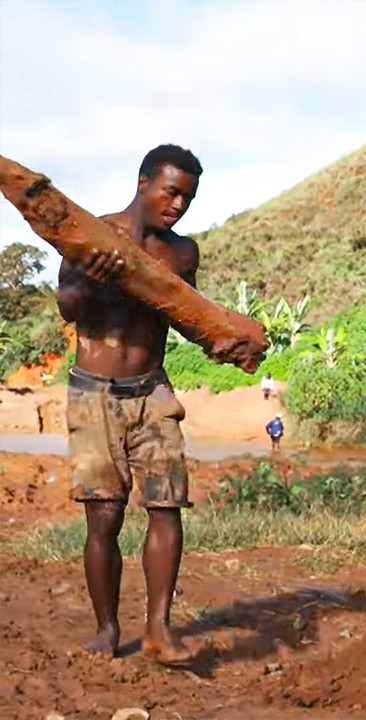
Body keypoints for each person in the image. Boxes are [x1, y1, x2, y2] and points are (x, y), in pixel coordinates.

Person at [56, 144, 205, 665]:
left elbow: (188, 318)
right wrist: (93, 277)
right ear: (143, 183)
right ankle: (106, 629)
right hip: (93, 392)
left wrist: (228, 336)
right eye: (171, 192)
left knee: (167, 506)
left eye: (187, 196)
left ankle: (160, 629)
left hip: (153, 390)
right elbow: (68, 308)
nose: (179, 205)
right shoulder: (91, 234)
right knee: (104, 518)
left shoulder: (182, 254)